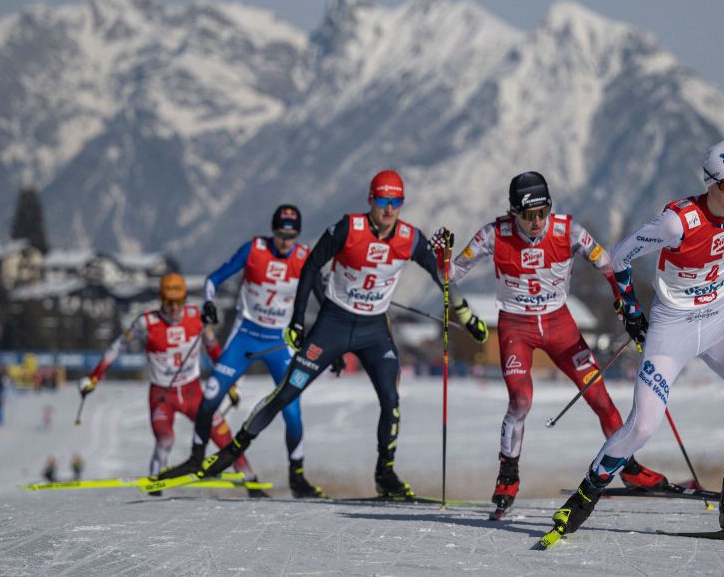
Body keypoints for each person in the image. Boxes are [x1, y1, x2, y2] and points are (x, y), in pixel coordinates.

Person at [551, 140, 724, 537]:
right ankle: (582, 499)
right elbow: (620, 256)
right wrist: (630, 309)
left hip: (723, 318)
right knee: (643, 426)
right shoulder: (677, 223)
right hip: (673, 327)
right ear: (710, 183)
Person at [171, 169, 487, 498]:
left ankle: (385, 473)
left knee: (391, 400)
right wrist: (297, 321)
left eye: (396, 202)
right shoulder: (349, 228)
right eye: (382, 201)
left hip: (374, 330)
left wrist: (465, 315)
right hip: (333, 324)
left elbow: (441, 275)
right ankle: (231, 452)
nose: (389, 209)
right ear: (371, 200)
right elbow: (311, 266)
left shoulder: (410, 237)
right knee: (286, 393)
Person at [447, 171, 672, 515]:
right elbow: (451, 274)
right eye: (528, 215)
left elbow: (608, 264)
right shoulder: (494, 234)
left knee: (599, 396)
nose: (537, 221)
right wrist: (440, 258)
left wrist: (622, 300)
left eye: (543, 212)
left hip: (559, 325)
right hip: (516, 327)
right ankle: (508, 474)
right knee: (521, 399)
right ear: (513, 212)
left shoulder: (569, 231)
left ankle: (628, 468)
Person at [155, 205, 332, 499]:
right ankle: (196, 457)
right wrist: (208, 304)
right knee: (211, 396)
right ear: (273, 231)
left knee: (292, 412)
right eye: (280, 234)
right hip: (245, 337)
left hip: (279, 343)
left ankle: (297, 476)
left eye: (291, 236)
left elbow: (324, 300)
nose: (285, 241)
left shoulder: (304, 258)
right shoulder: (254, 249)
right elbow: (213, 279)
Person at [79, 273, 264, 495]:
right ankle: (155, 484)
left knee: (223, 435)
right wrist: (94, 378)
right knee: (165, 439)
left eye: (179, 302)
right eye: (168, 302)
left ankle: (252, 482)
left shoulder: (197, 317)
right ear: (161, 299)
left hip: (193, 392)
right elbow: (117, 348)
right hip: (162, 395)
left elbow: (215, 351)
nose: (174, 308)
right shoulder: (146, 323)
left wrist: (230, 384)